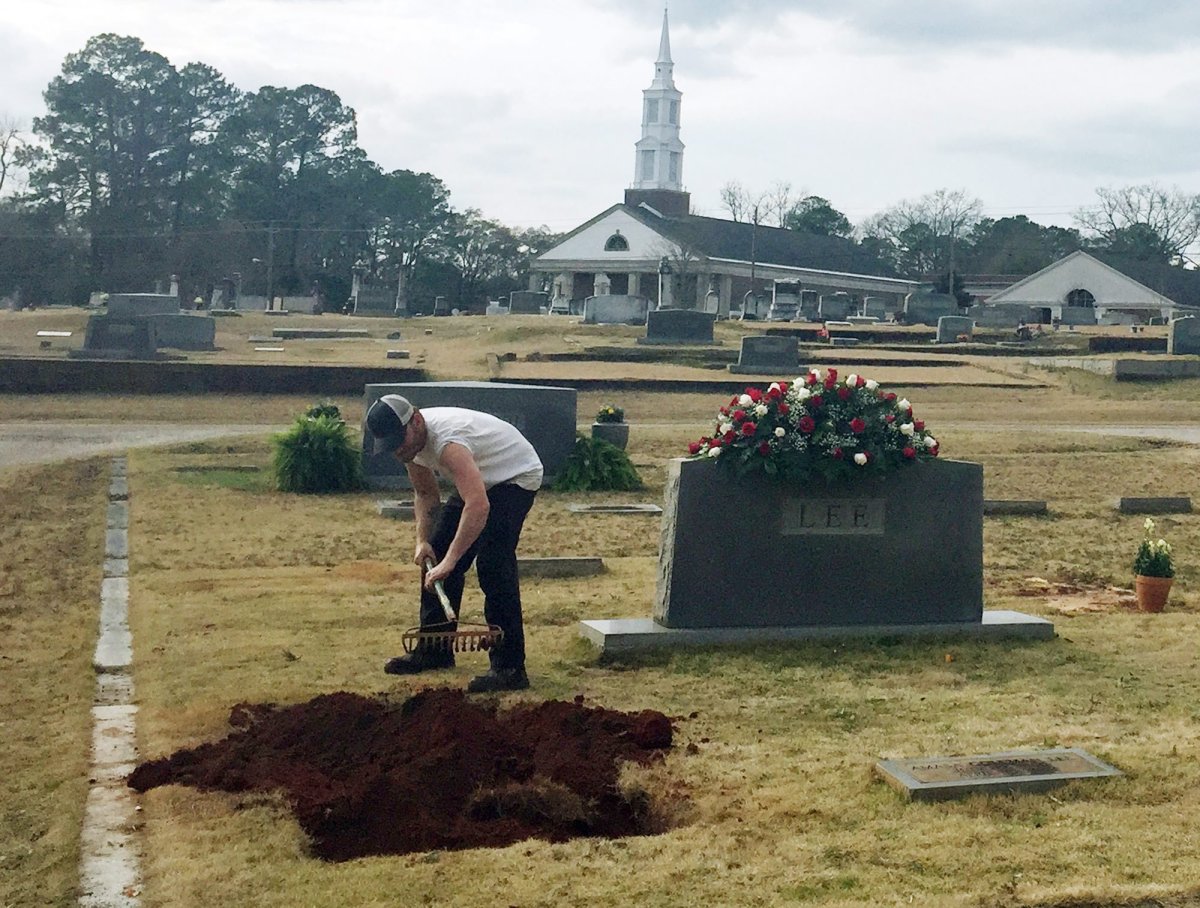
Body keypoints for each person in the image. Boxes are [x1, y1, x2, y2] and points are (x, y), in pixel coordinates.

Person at [364, 395, 542, 693]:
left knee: (493, 563)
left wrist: (452, 562)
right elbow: (425, 494)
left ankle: (510, 668)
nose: (399, 450)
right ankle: (434, 650)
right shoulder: (411, 446)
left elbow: (478, 506)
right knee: (435, 552)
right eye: (392, 445)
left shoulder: (448, 442)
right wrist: (423, 542)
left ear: (416, 421)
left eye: (400, 441)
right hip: (479, 481)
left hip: (515, 477)